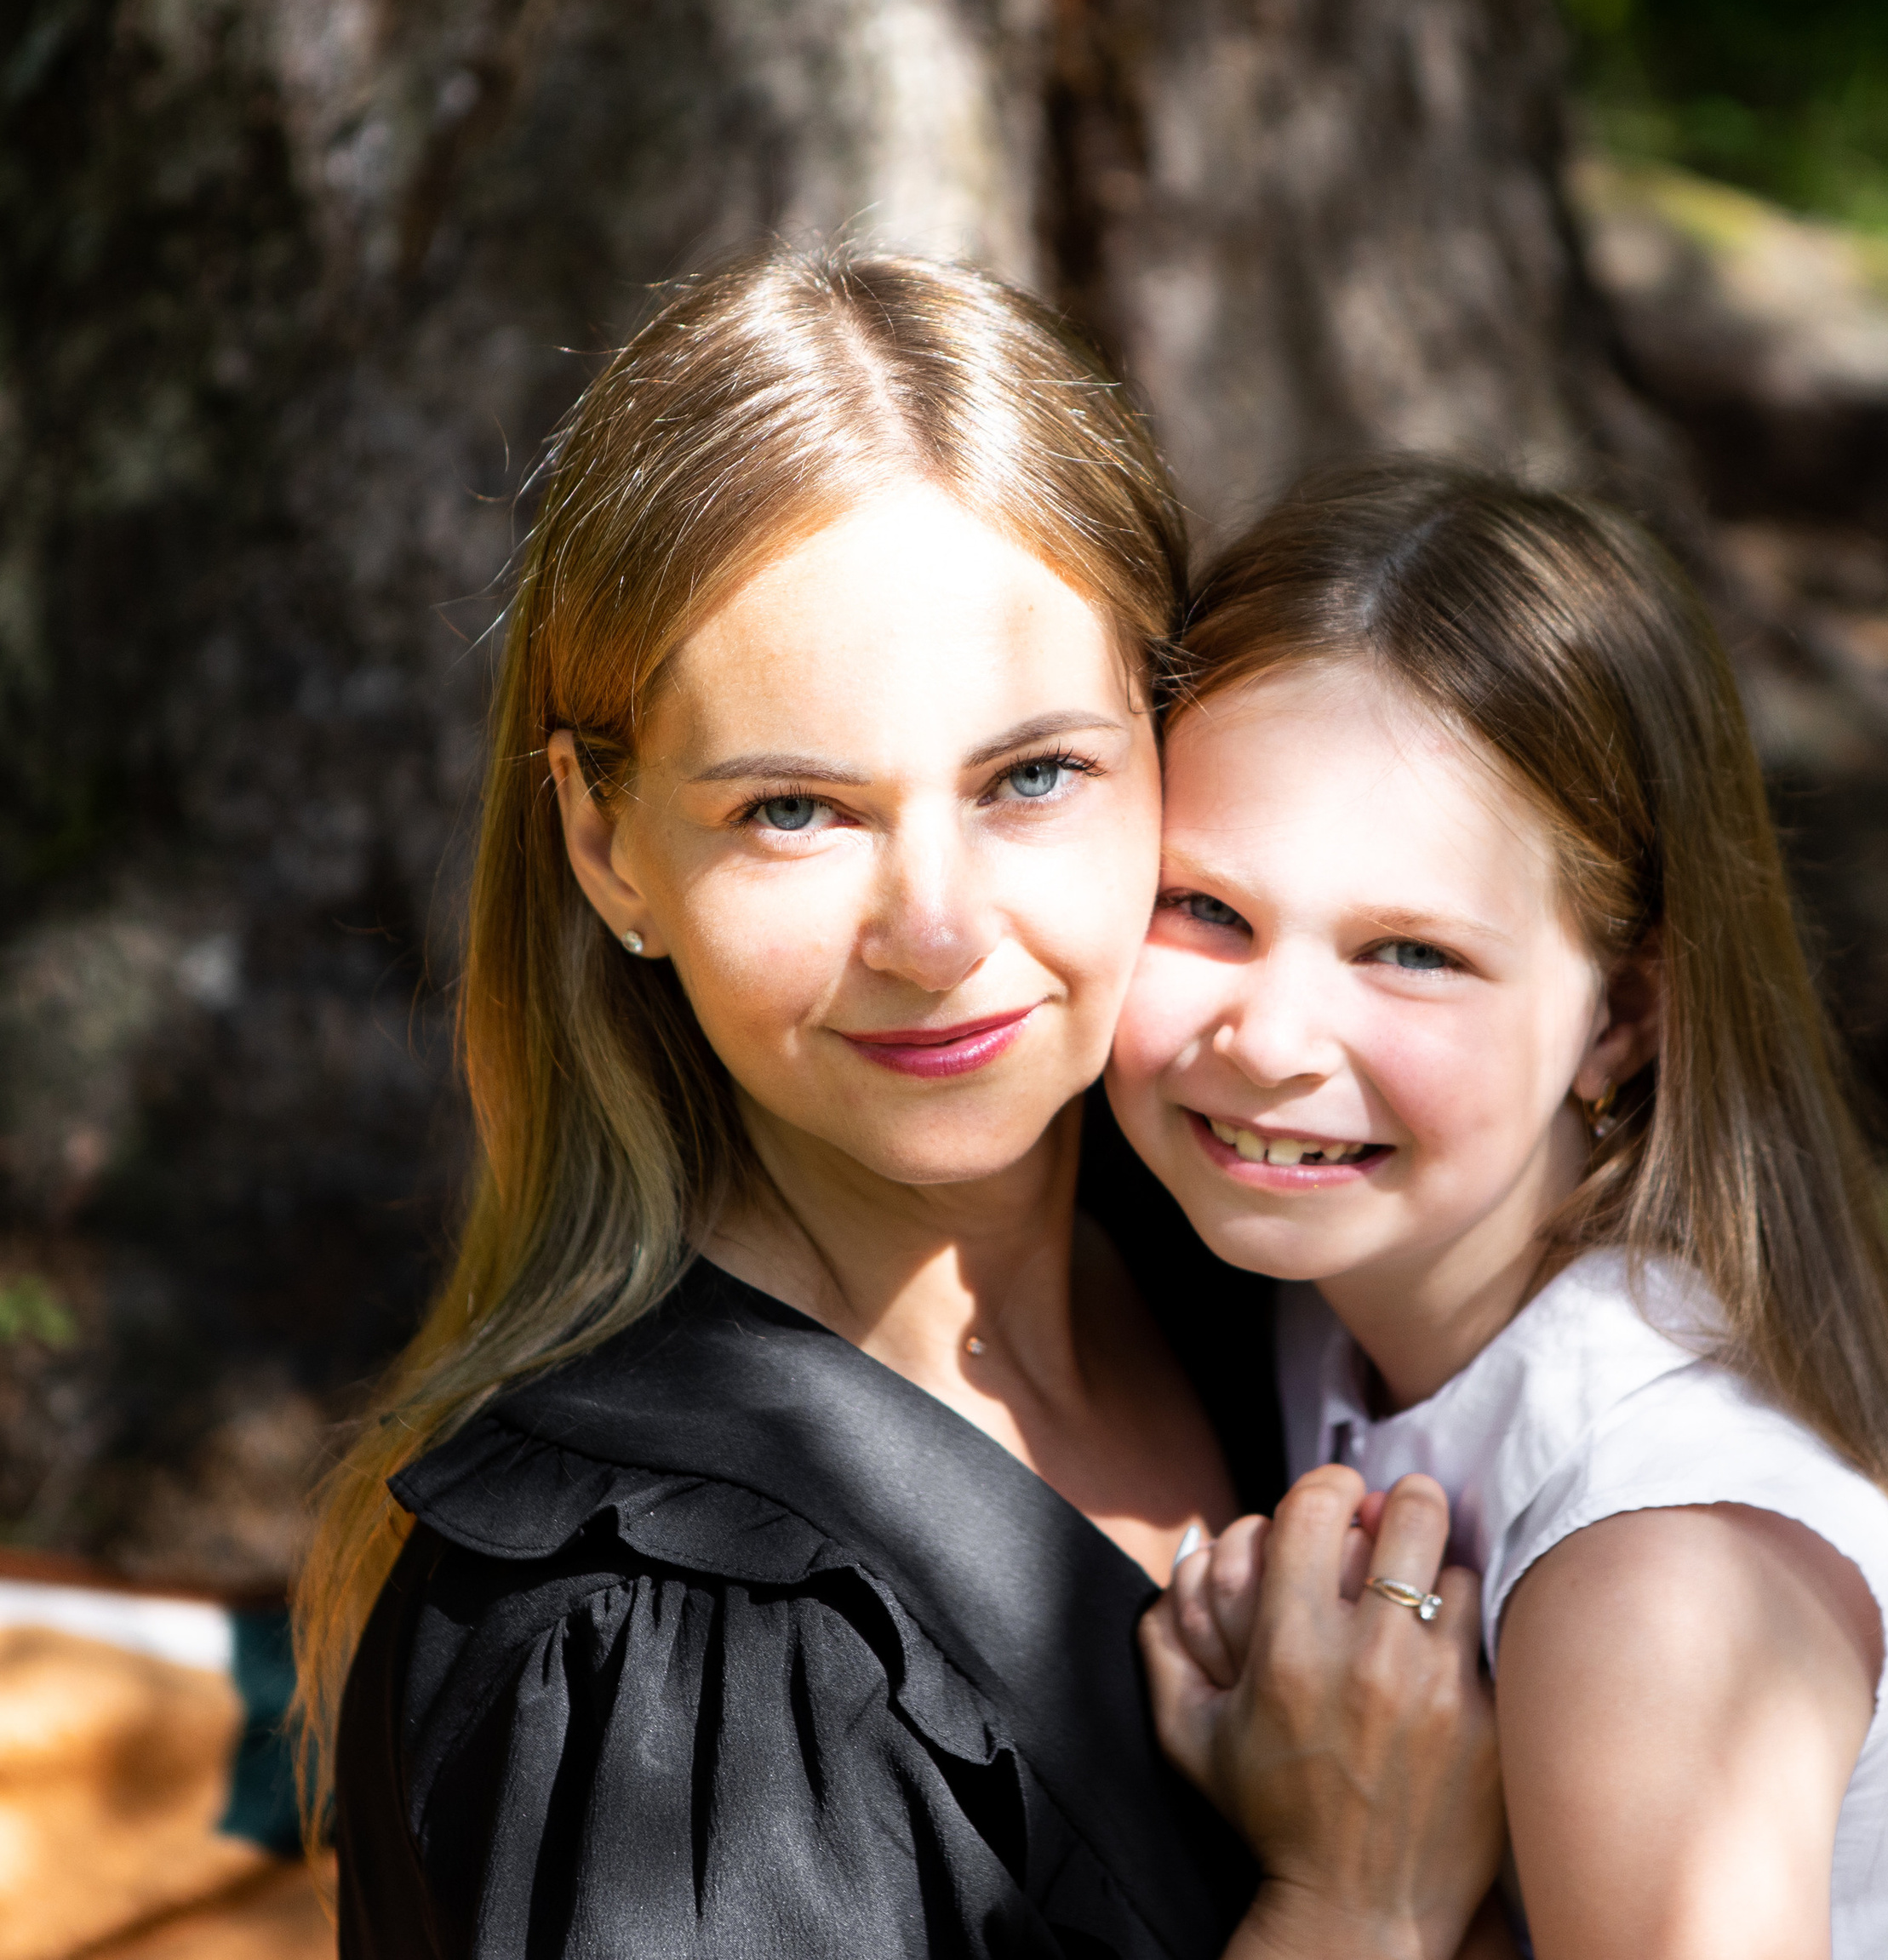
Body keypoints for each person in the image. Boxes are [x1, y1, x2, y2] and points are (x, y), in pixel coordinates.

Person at [292, 256, 1502, 1959]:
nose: (935, 935)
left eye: (1033, 776)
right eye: (794, 808)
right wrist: (1358, 1905)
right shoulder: (662, 1669)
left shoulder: (1253, 1268)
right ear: (607, 844)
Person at [1114, 460, 1888, 1960]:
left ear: (1619, 1017)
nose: (1273, 1038)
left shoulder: (1661, 1575)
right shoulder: (1354, 1272)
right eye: (1206, 909)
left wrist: (1356, 1897)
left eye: (1412, 953)